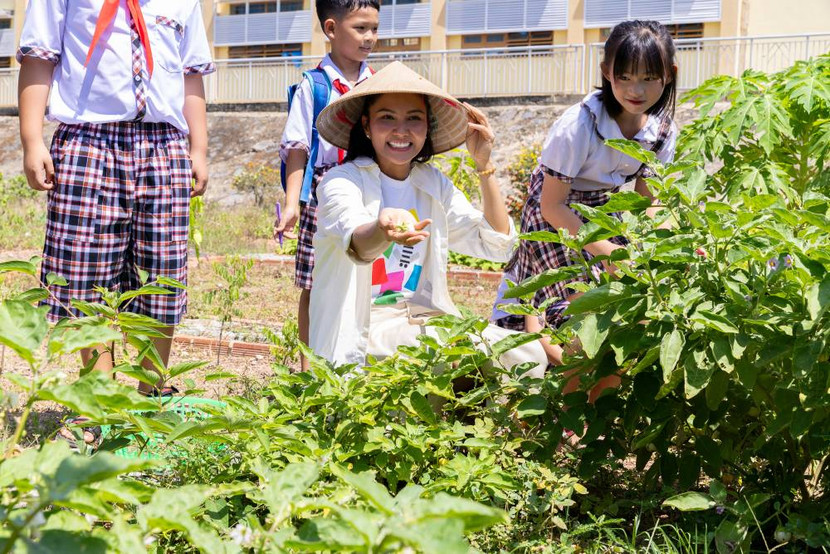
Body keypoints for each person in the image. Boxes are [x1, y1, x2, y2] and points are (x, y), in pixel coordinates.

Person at [18, 0, 214, 443]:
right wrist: (32, 140)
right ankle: (97, 402)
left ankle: (153, 392)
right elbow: (39, 57)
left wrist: (198, 148)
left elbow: (191, 74)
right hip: (90, 139)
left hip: (164, 144)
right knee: (84, 277)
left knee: (162, 275)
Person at [309, 61, 548, 375]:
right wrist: (382, 229)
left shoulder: (432, 184)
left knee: (527, 353)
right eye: (387, 118)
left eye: (414, 119)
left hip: (422, 320)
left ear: (427, 127)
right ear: (366, 126)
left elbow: (497, 245)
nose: (401, 131)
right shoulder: (341, 182)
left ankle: (501, 425)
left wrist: (484, 167)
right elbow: (358, 244)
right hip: (365, 327)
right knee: (434, 358)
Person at [492, 20, 679, 400]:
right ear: (606, 72)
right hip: (555, 213)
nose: (636, 90)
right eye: (624, 77)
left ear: (670, 75)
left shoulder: (661, 131)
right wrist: (610, 252)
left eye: (648, 77)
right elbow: (551, 205)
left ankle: (595, 407)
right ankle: (565, 404)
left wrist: (654, 249)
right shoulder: (579, 125)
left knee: (627, 310)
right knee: (583, 311)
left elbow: (647, 202)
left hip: (604, 212)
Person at [276, 0, 379, 370]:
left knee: (368, 276)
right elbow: (297, 149)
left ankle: (358, 359)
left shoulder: (378, 83)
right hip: (323, 189)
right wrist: (292, 203)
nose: (370, 38)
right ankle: (310, 367)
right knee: (315, 280)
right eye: (361, 28)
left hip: (369, 185)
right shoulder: (314, 86)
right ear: (332, 29)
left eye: (374, 29)